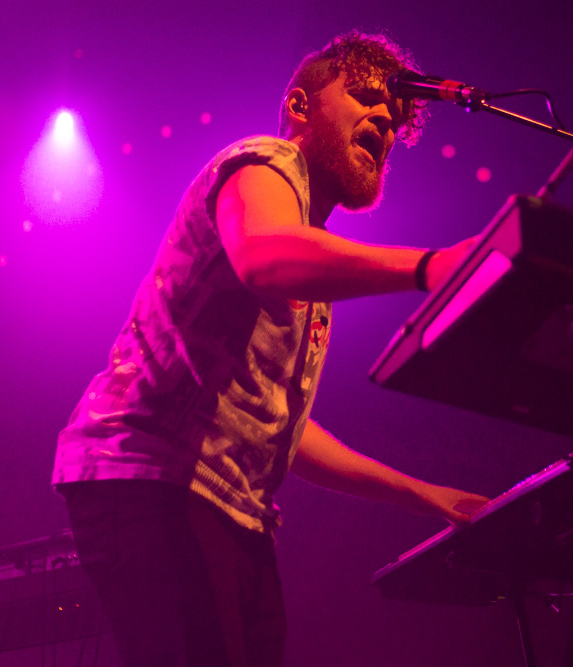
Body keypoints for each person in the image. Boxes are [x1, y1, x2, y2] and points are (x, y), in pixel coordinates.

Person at [52, 30, 488, 666]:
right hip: (152, 478)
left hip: (232, 510)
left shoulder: (313, 265)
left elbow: (284, 426)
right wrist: (433, 266)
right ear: (301, 107)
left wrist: (426, 495)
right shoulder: (264, 162)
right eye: (365, 98)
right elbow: (263, 258)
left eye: (392, 119)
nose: (383, 121)